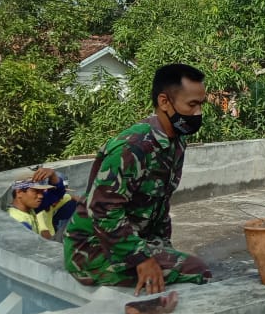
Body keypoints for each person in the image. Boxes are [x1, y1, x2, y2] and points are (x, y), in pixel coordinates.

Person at [64, 63, 212, 296]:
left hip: (132, 243)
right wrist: (141, 259)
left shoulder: (175, 142)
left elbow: (159, 204)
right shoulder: (133, 147)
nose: (197, 113)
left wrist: (162, 249)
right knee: (198, 271)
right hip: (94, 250)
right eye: (192, 105)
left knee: (182, 265)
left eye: (201, 105)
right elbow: (102, 209)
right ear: (164, 102)